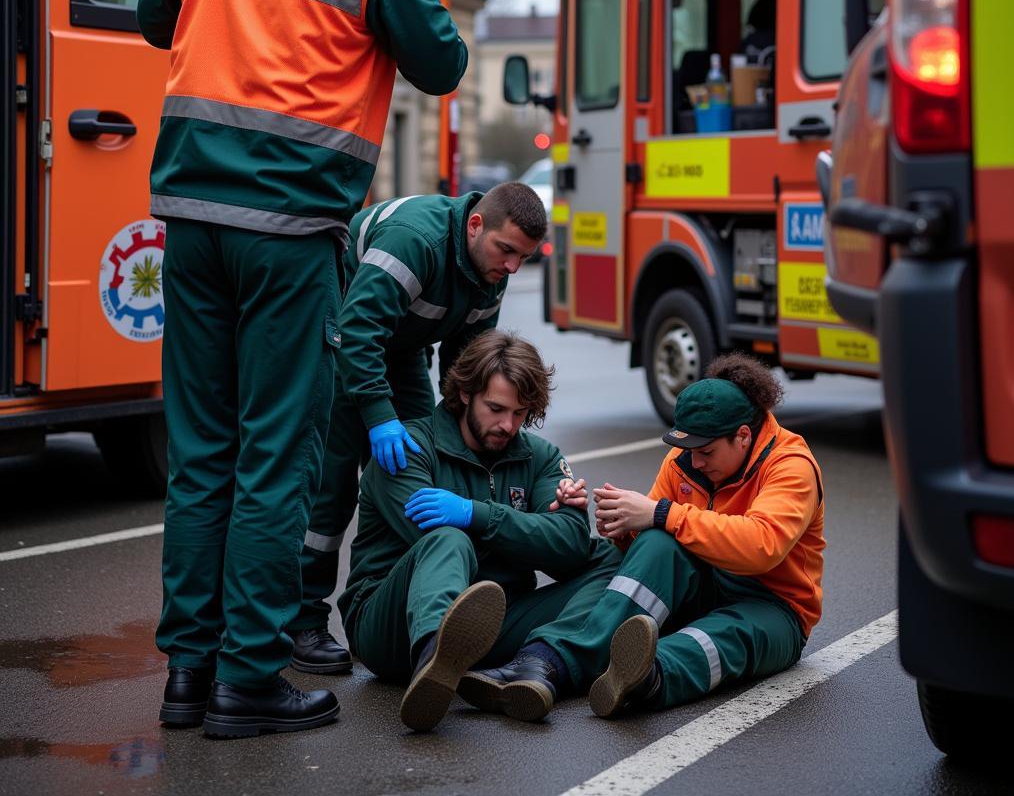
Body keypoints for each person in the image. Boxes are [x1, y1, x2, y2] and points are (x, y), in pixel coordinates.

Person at [138, 0, 467, 738]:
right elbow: (443, 65)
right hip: (290, 234)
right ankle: (249, 680)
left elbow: (158, 15)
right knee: (276, 460)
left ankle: (187, 678)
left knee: (202, 458)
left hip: (192, 226)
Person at [459, 352, 824, 722]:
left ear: (743, 437)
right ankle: (543, 664)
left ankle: (644, 675)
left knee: (730, 634)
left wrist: (659, 514)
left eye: (706, 452)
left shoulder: (790, 465)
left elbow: (762, 546)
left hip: (773, 605)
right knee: (655, 543)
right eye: (688, 450)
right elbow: (652, 547)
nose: (695, 462)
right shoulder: (684, 460)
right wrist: (624, 529)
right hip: (701, 584)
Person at [290, 183, 547, 674]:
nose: (513, 267)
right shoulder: (415, 239)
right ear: (476, 225)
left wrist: (463, 427)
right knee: (332, 486)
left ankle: (419, 591)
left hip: (400, 345)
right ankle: (301, 621)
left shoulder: (491, 264)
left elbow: (468, 362)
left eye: (524, 257)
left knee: (421, 459)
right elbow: (358, 332)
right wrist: (379, 417)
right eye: (507, 251)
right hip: (338, 339)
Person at [338, 331, 621, 731]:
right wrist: (531, 531)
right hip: (391, 625)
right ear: (466, 392)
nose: (508, 425)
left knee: (609, 557)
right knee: (448, 539)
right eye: (496, 408)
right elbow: (433, 538)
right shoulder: (407, 448)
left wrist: (479, 515)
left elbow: (571, 548)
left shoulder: (540, 457)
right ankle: (435, 656)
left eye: (520, 413)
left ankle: (538, 661)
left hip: (492, 621)